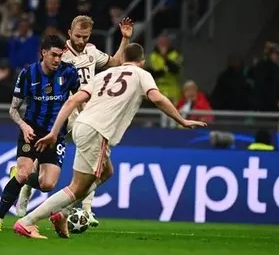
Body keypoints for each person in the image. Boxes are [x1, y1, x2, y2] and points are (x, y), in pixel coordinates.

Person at [13, 43, 207, 239]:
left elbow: (72, 101)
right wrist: (181, 120)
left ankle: (62, 213)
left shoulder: (104, 75)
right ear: (142, 62)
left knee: (107, 172)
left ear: (122, 59)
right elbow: (157, 98)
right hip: (98, 131)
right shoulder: (141, 74)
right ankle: (28, 222)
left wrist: (54, 132)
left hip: (82, 124)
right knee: (77, 187)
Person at [15, 15, 134, 227]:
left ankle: (86, 209)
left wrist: (124, 39)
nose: (81, 40)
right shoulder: (60, 55)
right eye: (78, 36)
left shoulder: (92, 51)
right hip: (64, 113)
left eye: (85, 37)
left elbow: (115, 62)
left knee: (94, 160)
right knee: (50, 161)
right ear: (70, 33)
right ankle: (27, 186)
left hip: (88, 113)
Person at [0, 35, 80, 232]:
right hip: (32, 130)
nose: (57, 60)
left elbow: (79, 98)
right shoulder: (28, 73)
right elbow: (13, 109)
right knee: (22, 174)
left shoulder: (69, 72)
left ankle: (25, 179)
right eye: (53, 55)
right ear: (43, 53)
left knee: (47, 185)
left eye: (60, 55)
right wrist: (23, 126)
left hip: (55, 134)